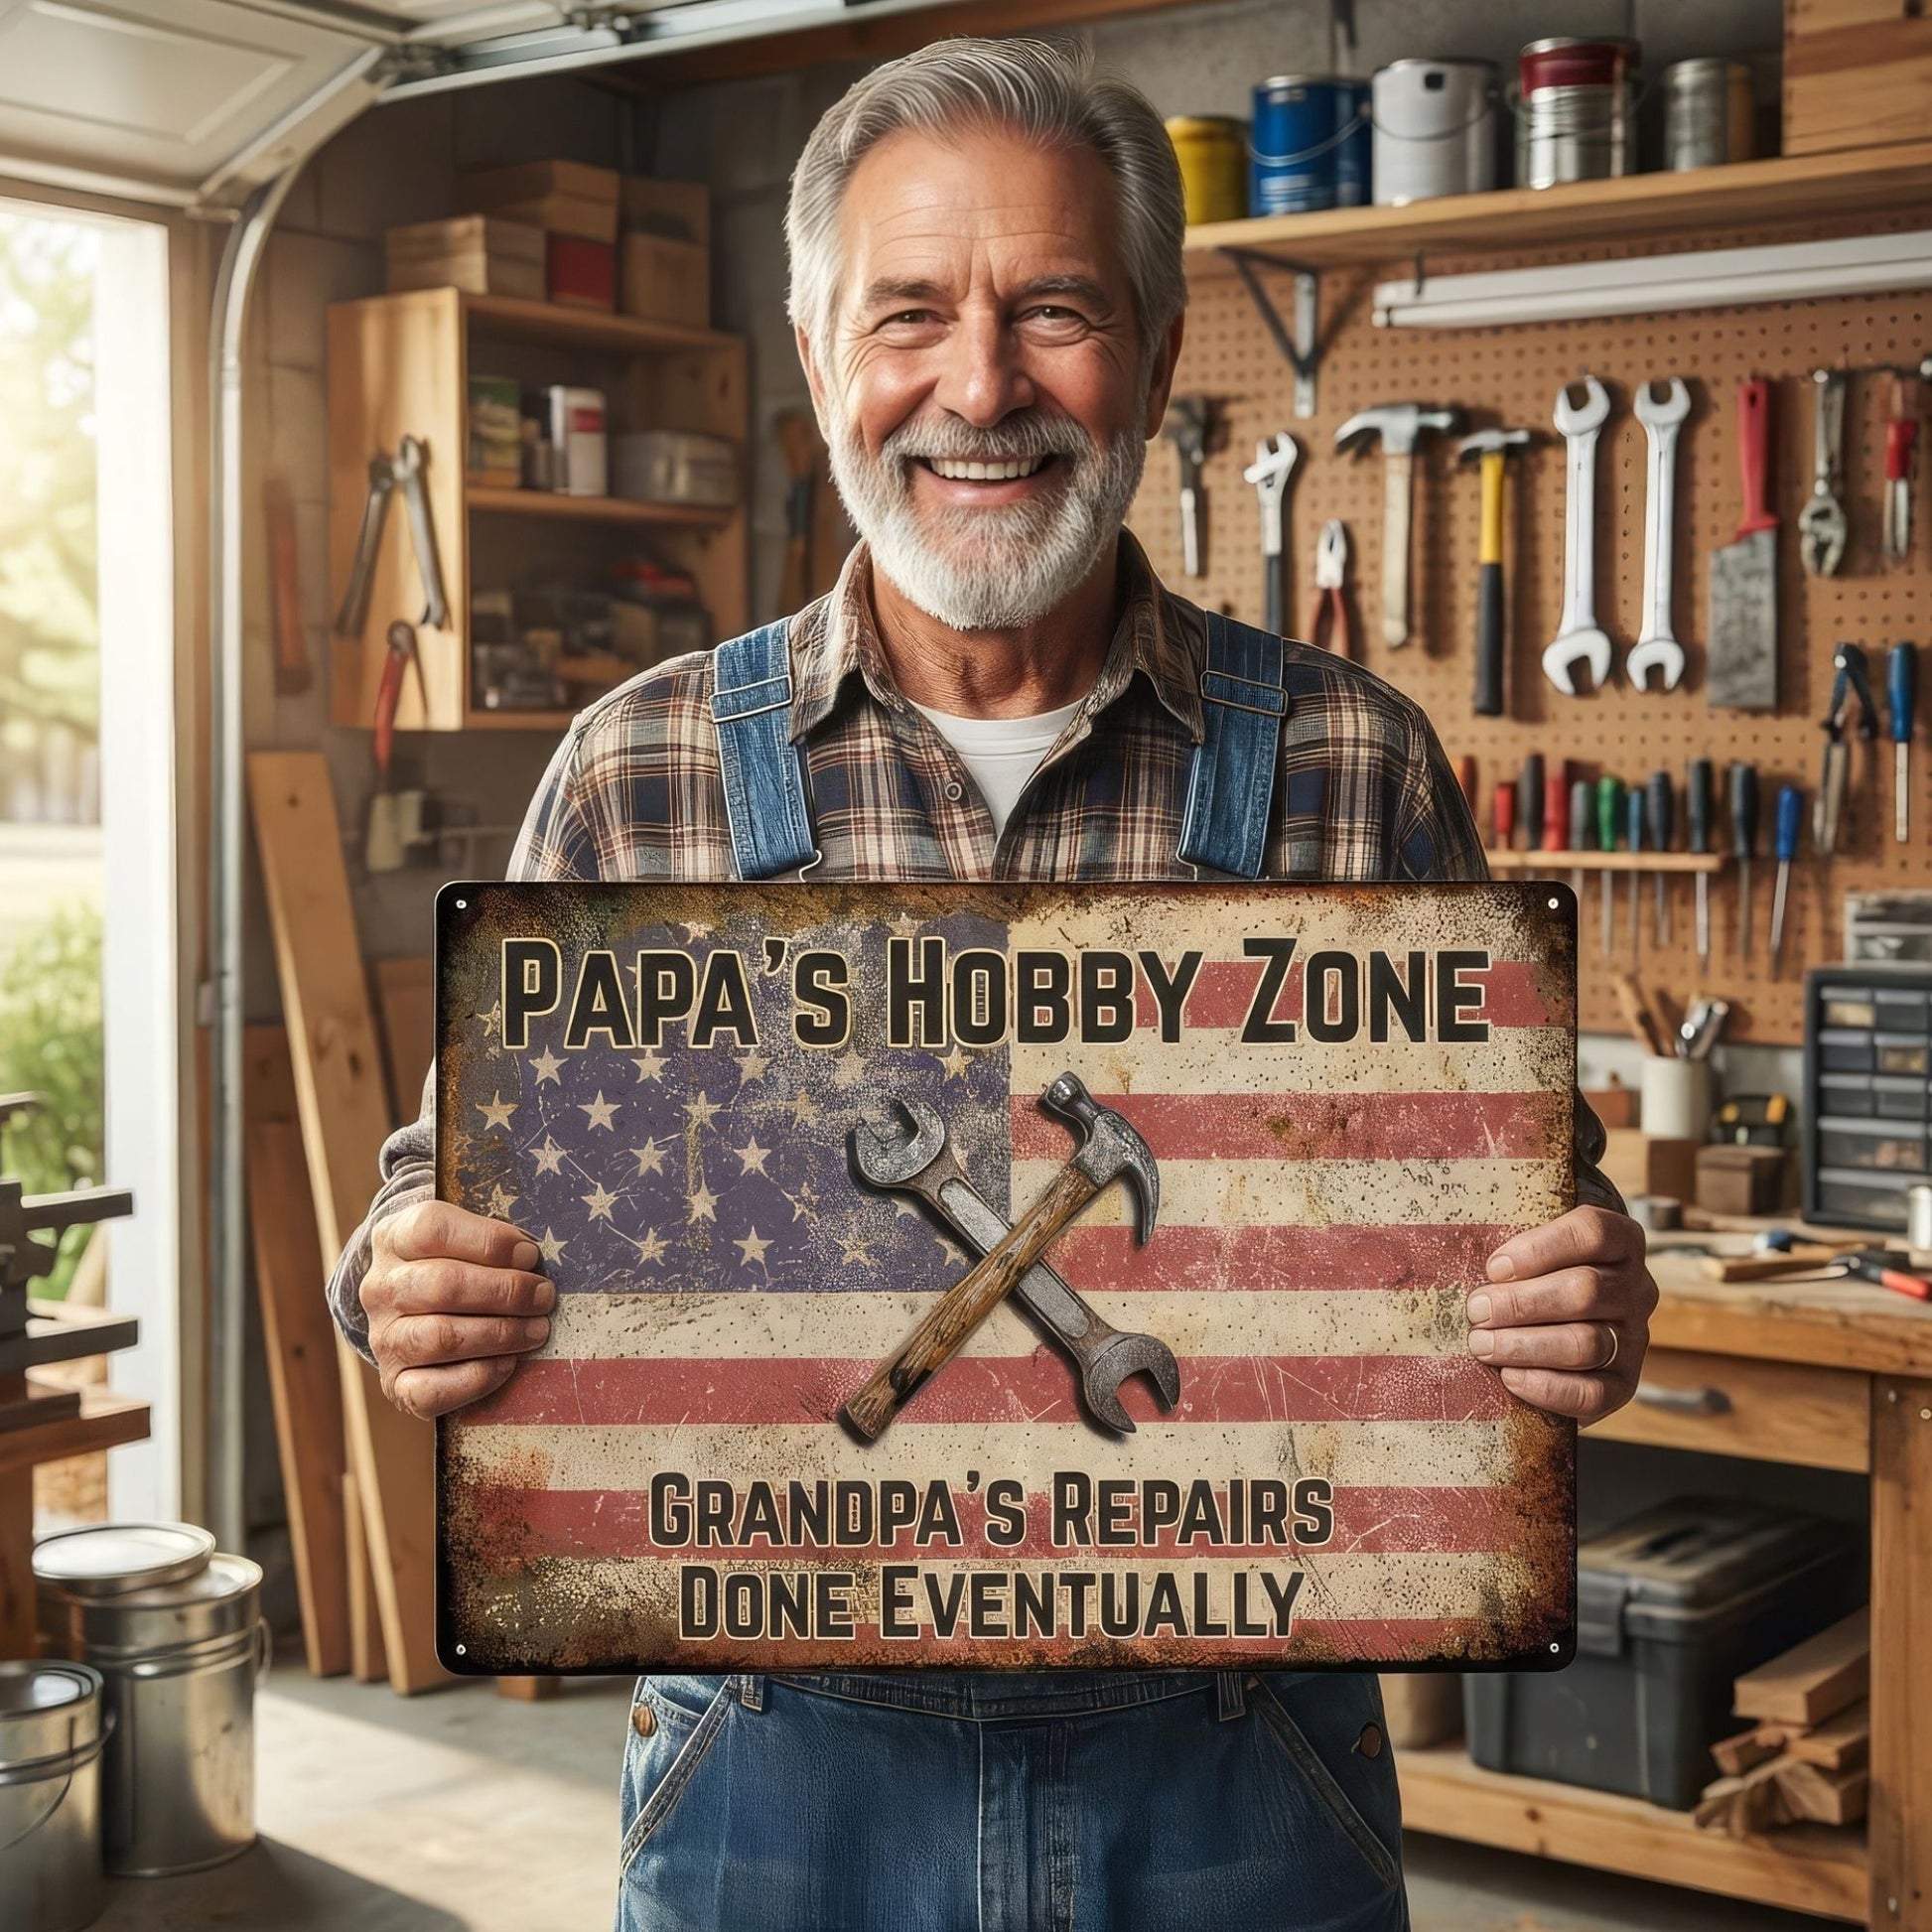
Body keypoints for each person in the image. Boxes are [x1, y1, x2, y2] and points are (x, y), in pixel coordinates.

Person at [325, 37, 1656, 1931]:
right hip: (775, 1759)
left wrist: (1585, 1299)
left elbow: (1545, 1220)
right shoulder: (643, 768)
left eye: (1050, 310)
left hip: (1233, 1754)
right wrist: (402, 1284)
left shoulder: (1352, 764)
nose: (978, 388)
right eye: (909, 317)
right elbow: (429, 1207)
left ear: (1156, 349)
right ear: (815, 364)